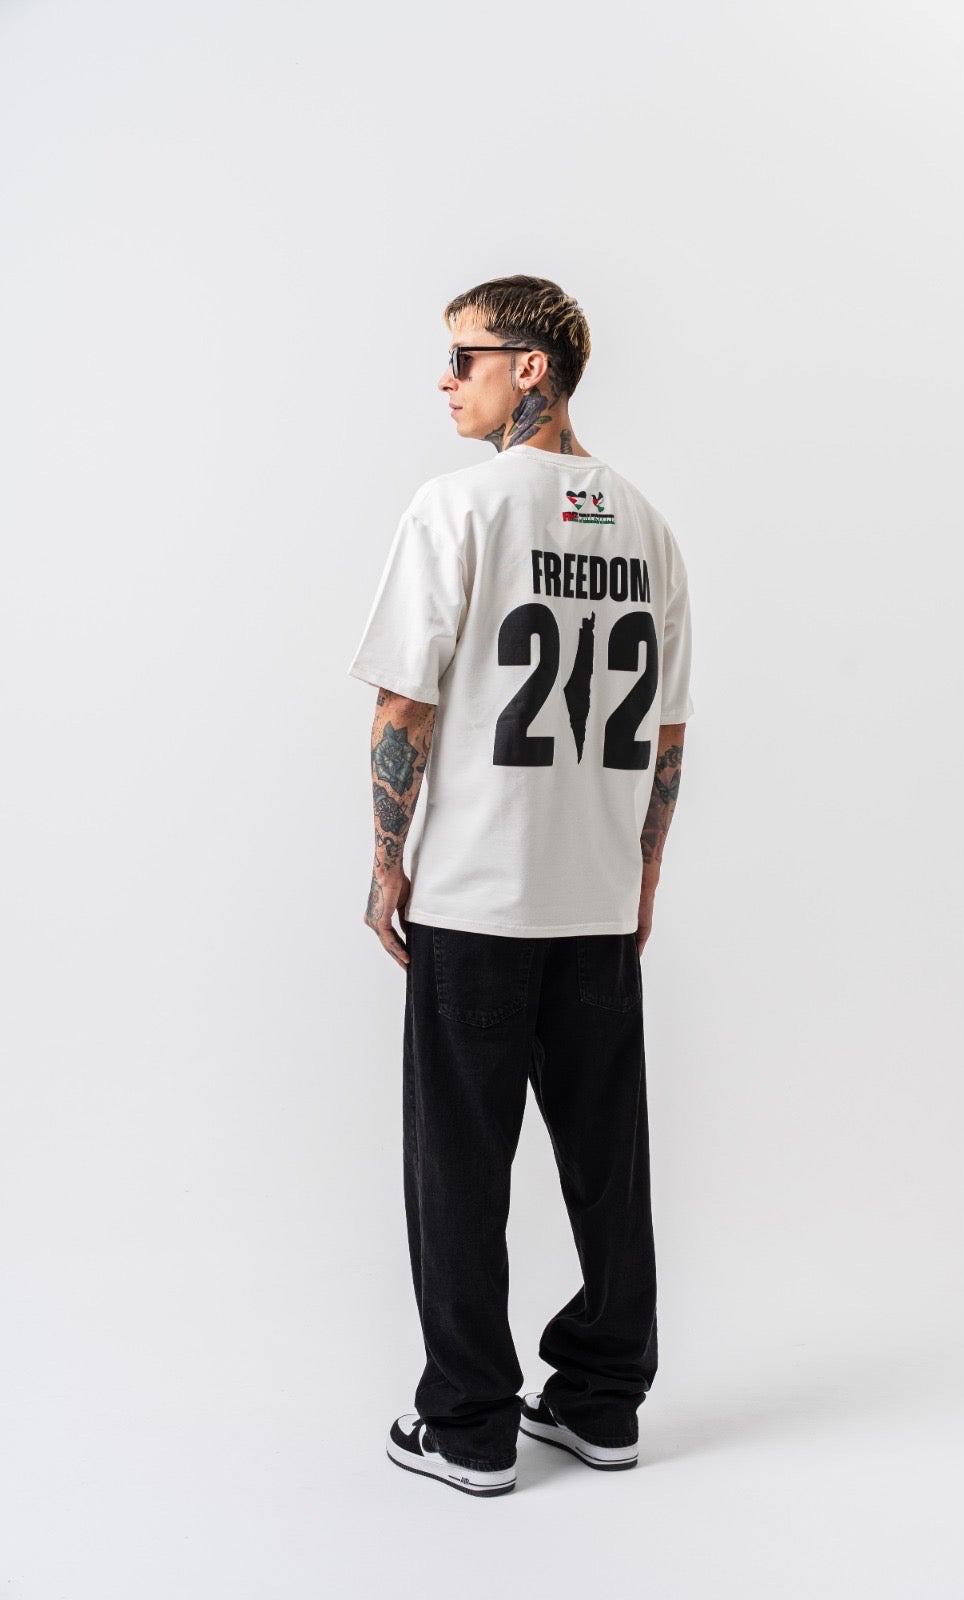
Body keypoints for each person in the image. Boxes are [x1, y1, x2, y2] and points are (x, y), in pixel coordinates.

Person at [347, 274, 694, 1497]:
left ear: (529, 367)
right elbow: (666, 736)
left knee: (458, 1167)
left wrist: (385, 860)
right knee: (609, 1165)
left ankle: (470, 1425)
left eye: (464, 357)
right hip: (593, 898)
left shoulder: (458, 507)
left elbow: (405, 706)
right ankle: (602, 1402)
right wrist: (643, 876)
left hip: (477, 899)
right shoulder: (647, 525)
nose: (446, 379)